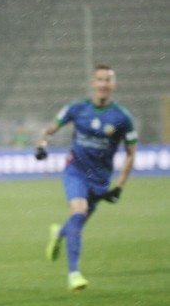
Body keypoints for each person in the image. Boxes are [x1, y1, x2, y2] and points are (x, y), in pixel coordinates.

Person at [35, 65, 137, 292]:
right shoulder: (77, 108)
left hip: (100, 180)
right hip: (76, 172)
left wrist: (119, 187)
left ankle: (58, 233)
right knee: (79, 213)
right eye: (99, 79)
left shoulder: (122, 117)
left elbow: (131, 154)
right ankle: (74, 274)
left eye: (107, 80)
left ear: (114, 85)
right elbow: (48, 130)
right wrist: (41, 145)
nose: (103, 84)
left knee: (76, 223)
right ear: (92, 83)